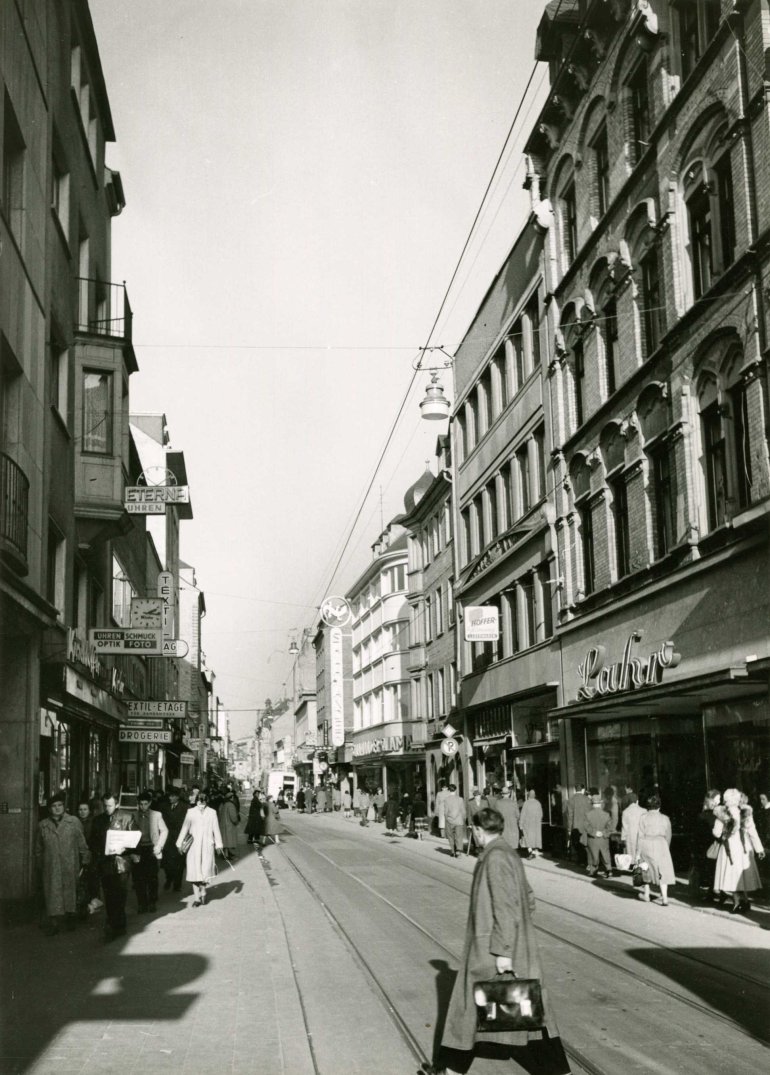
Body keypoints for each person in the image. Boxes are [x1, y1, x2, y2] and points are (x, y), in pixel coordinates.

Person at [431, 808, 570, 1075]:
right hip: (506, 945)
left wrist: (505, 949)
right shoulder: (507, 853)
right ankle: (450, 1069)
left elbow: (505, 907)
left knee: (474, 1012)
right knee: (525, 1015)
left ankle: (450, 1069)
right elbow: (528, 898)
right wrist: (520, 935)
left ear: (478, 831)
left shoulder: (495, 858)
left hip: (491, 952)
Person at [34, 793, 90, 935]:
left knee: (70, 890)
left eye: (60, 805)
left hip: (70, 863)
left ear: (64, 807)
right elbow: (38, 849)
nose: (57, 808)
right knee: (52, 893)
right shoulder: (43, 825)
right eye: (53, 806)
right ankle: (54, 923)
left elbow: (82, 844)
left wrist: (85, 861)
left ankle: (71, 917)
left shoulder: (73, 822)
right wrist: (41, 865)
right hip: (50, 866)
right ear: (49, 809)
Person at [91, 791, 138, 941]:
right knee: (109, 894)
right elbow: (93, 841)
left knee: (120, 894)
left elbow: (135, 840)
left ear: (117, 804)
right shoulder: (98, 820)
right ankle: (114, 923)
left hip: (121, 862)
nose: (107, 809)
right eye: (104, 806)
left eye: (110, 805)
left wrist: (125, 848)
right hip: (105, 863)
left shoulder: (127, 817)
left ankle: (116, 925)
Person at [177, 790, 224, 906]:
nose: (201, 806)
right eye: (199, 802)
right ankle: (197, 898)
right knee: (194, 871)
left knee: (205, 871)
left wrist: (219, 845)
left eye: (203, 803)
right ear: (196, 801)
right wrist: (179, 844)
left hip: (207, 846)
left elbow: (216, 829)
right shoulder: (190, 812)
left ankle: (203, 890)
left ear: (207, 802)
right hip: (194, 846)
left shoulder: (212, 813)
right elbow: (184, 828)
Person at [132, 790, 168, 913]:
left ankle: (152, 902)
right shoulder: (133, 815)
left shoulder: (157, 815)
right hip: (138, 850)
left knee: (152, 877)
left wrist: (159, 845)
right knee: (138, 879)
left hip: (151, 849)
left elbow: (164, 831)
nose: (143, 807)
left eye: (145, 804)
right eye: (141, 804)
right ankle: (141, 903)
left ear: (150, 803)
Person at [636, 794, 675, 905]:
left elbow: (640, 835)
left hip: (646, 843)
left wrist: (638, 852)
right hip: (661, 844)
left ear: (648, 806)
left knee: (645, 869)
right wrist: (665, 847)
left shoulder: (643, 817)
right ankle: (665, 898)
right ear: (659, 806)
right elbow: (668, 835)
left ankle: (646, 895)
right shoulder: (665, 818)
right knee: (663, 870)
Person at [161, 786, 188, 892]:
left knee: (179, 863)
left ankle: (177, 884)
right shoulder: (164, 806)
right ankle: (169, 878)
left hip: (180, 838)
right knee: (167, 863)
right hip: (167, 839)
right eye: (169, 796)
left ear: (177, 797)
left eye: (172, 796)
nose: (170, 798)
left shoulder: (185, 807)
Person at [583, 789, 611, 878]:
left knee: (593, 854)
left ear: (592, 804)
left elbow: (586, 827)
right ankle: (608, 870)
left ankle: (593, 871)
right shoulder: (606, 814)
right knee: (605, 853)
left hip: (593, 839)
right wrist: (603, 833)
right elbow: (609, 827)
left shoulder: (588, 814)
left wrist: (595, 833)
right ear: (600, 803)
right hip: (603, 838)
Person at [566, 783, 589, 864]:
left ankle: (580, 860)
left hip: (575, 826)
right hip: (586, 826)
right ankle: (586, 860)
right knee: (585, 843)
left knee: (577, 844)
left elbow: (570, 816)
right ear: (583, 789)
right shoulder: (587, 799)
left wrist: (569, 828)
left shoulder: (571, 800)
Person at [620, 791, 646, 861]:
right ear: (637, 801)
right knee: (641, 857)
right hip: (642, 837)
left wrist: (623, 839)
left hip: (630, 837)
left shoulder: (625, 812)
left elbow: (624, 828)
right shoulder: (644, 811)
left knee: (631, 857)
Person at [519, 788, 543, 859]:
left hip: (528, 824)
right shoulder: (538, 803)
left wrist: (521, 824)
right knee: (535, 838)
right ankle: (535, 850)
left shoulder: (526, 803)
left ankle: (530, 852)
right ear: (534, 796)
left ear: (529, 795)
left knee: (527, 838)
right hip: (536, 824)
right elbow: (541, 814)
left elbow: (522, 814)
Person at [444, 784, 467, 857]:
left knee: (450, 836)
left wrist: (447, 818)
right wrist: (464, 819)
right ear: (456, 790)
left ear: (449, 790)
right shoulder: (460, 799)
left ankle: (452, 851)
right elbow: (463, 811)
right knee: (459, 836)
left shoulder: (446, 799)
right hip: (459, 821)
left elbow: (445, 812)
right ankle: (458, 851)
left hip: (450, 820)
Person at [217, 788, 240, 860]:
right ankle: (226, 856)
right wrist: (236, 822)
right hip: (229, 826)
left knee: (225, 840)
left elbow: (219, 814)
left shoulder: (223, 804)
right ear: (231, 798)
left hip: (223, 825)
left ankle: (226, 853)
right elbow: (233, 817)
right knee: (228, 840)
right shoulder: (231, 805)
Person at [496, 784, 521, 850]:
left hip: (502, 825)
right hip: (512, 826)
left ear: (502, 794)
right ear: (509, 794)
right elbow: (518, 815)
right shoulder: (514, 803)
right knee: (512, 844)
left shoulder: (498, 803)